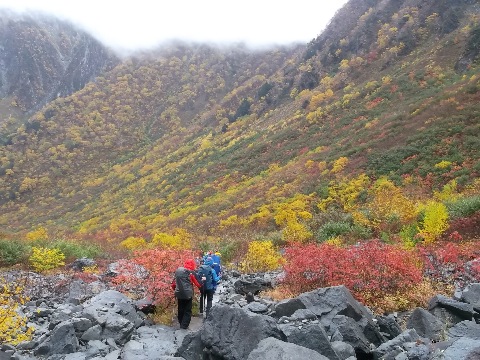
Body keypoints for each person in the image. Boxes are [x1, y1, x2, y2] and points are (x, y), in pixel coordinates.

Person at [171, 259, 202, 329]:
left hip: (179, 293)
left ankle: (181, 323)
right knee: (187, 310)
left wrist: (177, 290)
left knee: (180, 309)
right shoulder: (191, 273)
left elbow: (173, 285)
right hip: (188, 294)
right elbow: (199, 284)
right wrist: (202, 281)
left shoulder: (179, 272)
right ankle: (184, 326)